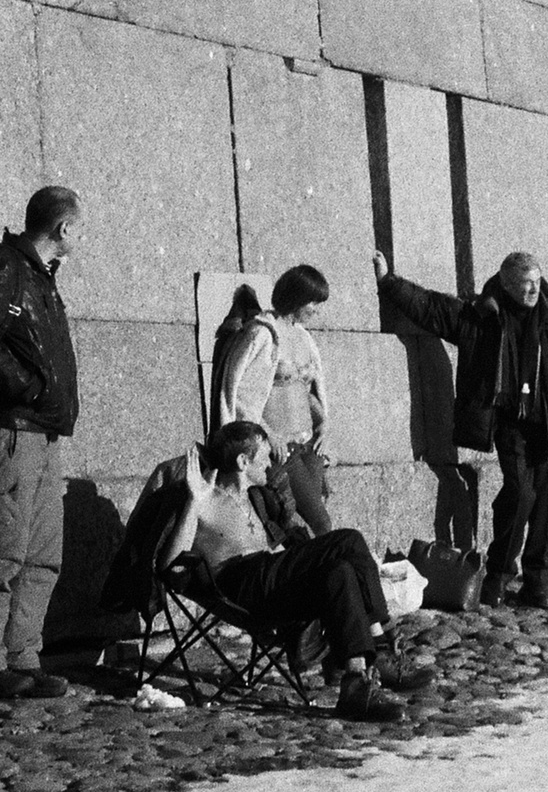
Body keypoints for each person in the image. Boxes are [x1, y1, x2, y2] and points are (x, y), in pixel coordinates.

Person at [161, 420, 430, 722]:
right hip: (241, 584)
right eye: (264, 457)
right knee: (348, 540)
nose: (271, 464)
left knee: (338, 572)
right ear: (242, 461)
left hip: (271, 584)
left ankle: (355, 684)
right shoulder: (206, 500)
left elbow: (279, 548)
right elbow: (170, 563)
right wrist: (193, 502)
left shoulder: (255, 498)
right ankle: (381, 646)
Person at [374, 249, 548, 609]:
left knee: (546, 508)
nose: (532, 291)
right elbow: (432, 308)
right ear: (506, 285)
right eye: (525, 285)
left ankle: (538, 584)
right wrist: (388, 281)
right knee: (521, 494)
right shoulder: (483, 315)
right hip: (510, 424)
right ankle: (499, 575)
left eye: (537, 283)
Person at [0, 186, 85, 702]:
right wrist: (27, 388)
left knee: (41, 556)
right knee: (1, 553)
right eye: (80, 228)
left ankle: (23, 658)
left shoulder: (40, 276)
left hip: (43, 435)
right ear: (64, 229)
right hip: (10, 433)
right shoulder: (5, 265)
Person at [211, 264, 337, 536]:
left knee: (301, 524)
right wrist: (270, 436)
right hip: (281, 450)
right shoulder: (262, 334)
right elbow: (242, 395)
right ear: (297, 298)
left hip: (309, 447)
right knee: (322, 523)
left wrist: (324, 422)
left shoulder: (305, 339)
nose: (317, 309)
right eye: (314, 301)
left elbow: (307, 392)